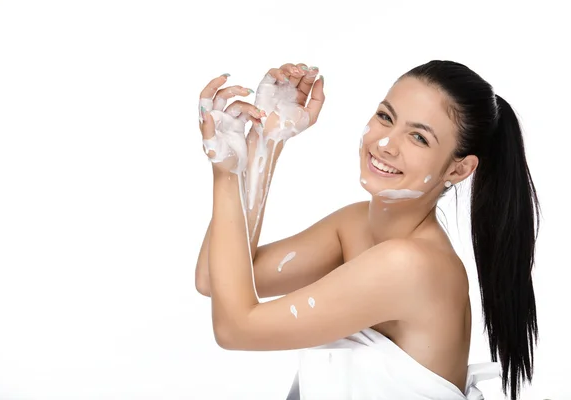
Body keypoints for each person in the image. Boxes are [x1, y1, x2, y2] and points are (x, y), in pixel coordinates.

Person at [194, 60, 540, 400]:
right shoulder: (355, 225)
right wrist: (263, 145)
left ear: (459, 169)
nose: (386, 144)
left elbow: (235, 328)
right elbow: (215, 277)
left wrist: (227, 174)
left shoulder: (410, 264)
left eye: (419, 137)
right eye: (385, 117)